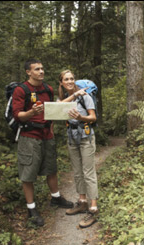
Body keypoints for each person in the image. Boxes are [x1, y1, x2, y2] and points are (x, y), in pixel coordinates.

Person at [12, 59, 73, 227]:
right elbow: (18, 116)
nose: (41, 71)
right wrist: (31, 112)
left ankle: (56, 198)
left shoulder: (48, 88)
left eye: (42, 68)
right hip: (29, 136)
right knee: (28, 174)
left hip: (47, 135)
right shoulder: (21, 90)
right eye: (37, 69)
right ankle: (31, 209)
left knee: (51, 168)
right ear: (28, 72)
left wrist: (51, 127)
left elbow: (52, 110)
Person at [58, 70, 99, 228]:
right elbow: (59, 108)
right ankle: (82, 202)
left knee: (88, 172)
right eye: (66, 79)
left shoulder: (85, 96)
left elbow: (93, 117)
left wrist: (80, 118)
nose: (69, 81)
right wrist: (73, 96)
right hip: (71, 138)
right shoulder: (63, 98)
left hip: (86, 137)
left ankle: (93, 208)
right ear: (61, 82)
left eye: (72, 78)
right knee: (77, 171)